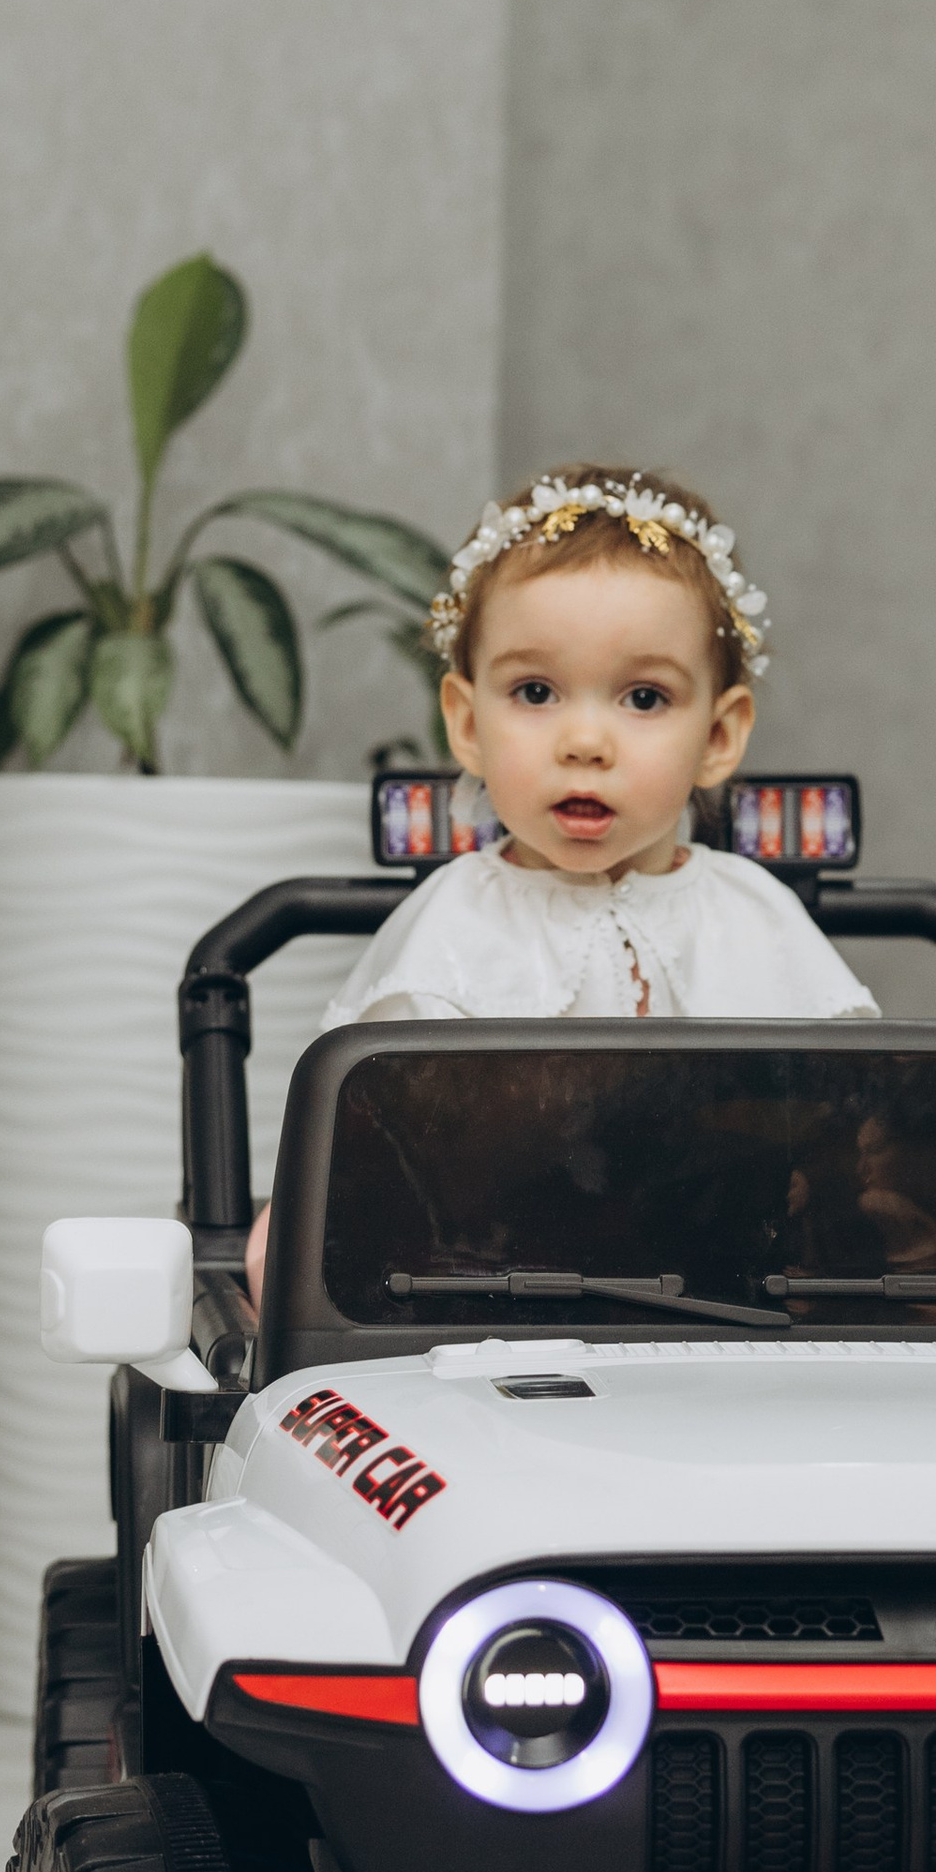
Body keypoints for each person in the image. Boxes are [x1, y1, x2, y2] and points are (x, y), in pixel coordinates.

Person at [246, 466, 873, 1300]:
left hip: (737, 1317)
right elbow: (357, 1169)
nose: (584, 740)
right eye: (535, 691)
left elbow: (842, 1140)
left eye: (644, 697)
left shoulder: (758, 918)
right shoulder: (454, 925)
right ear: (468, 723)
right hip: (487, 1310)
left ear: (719, 736)